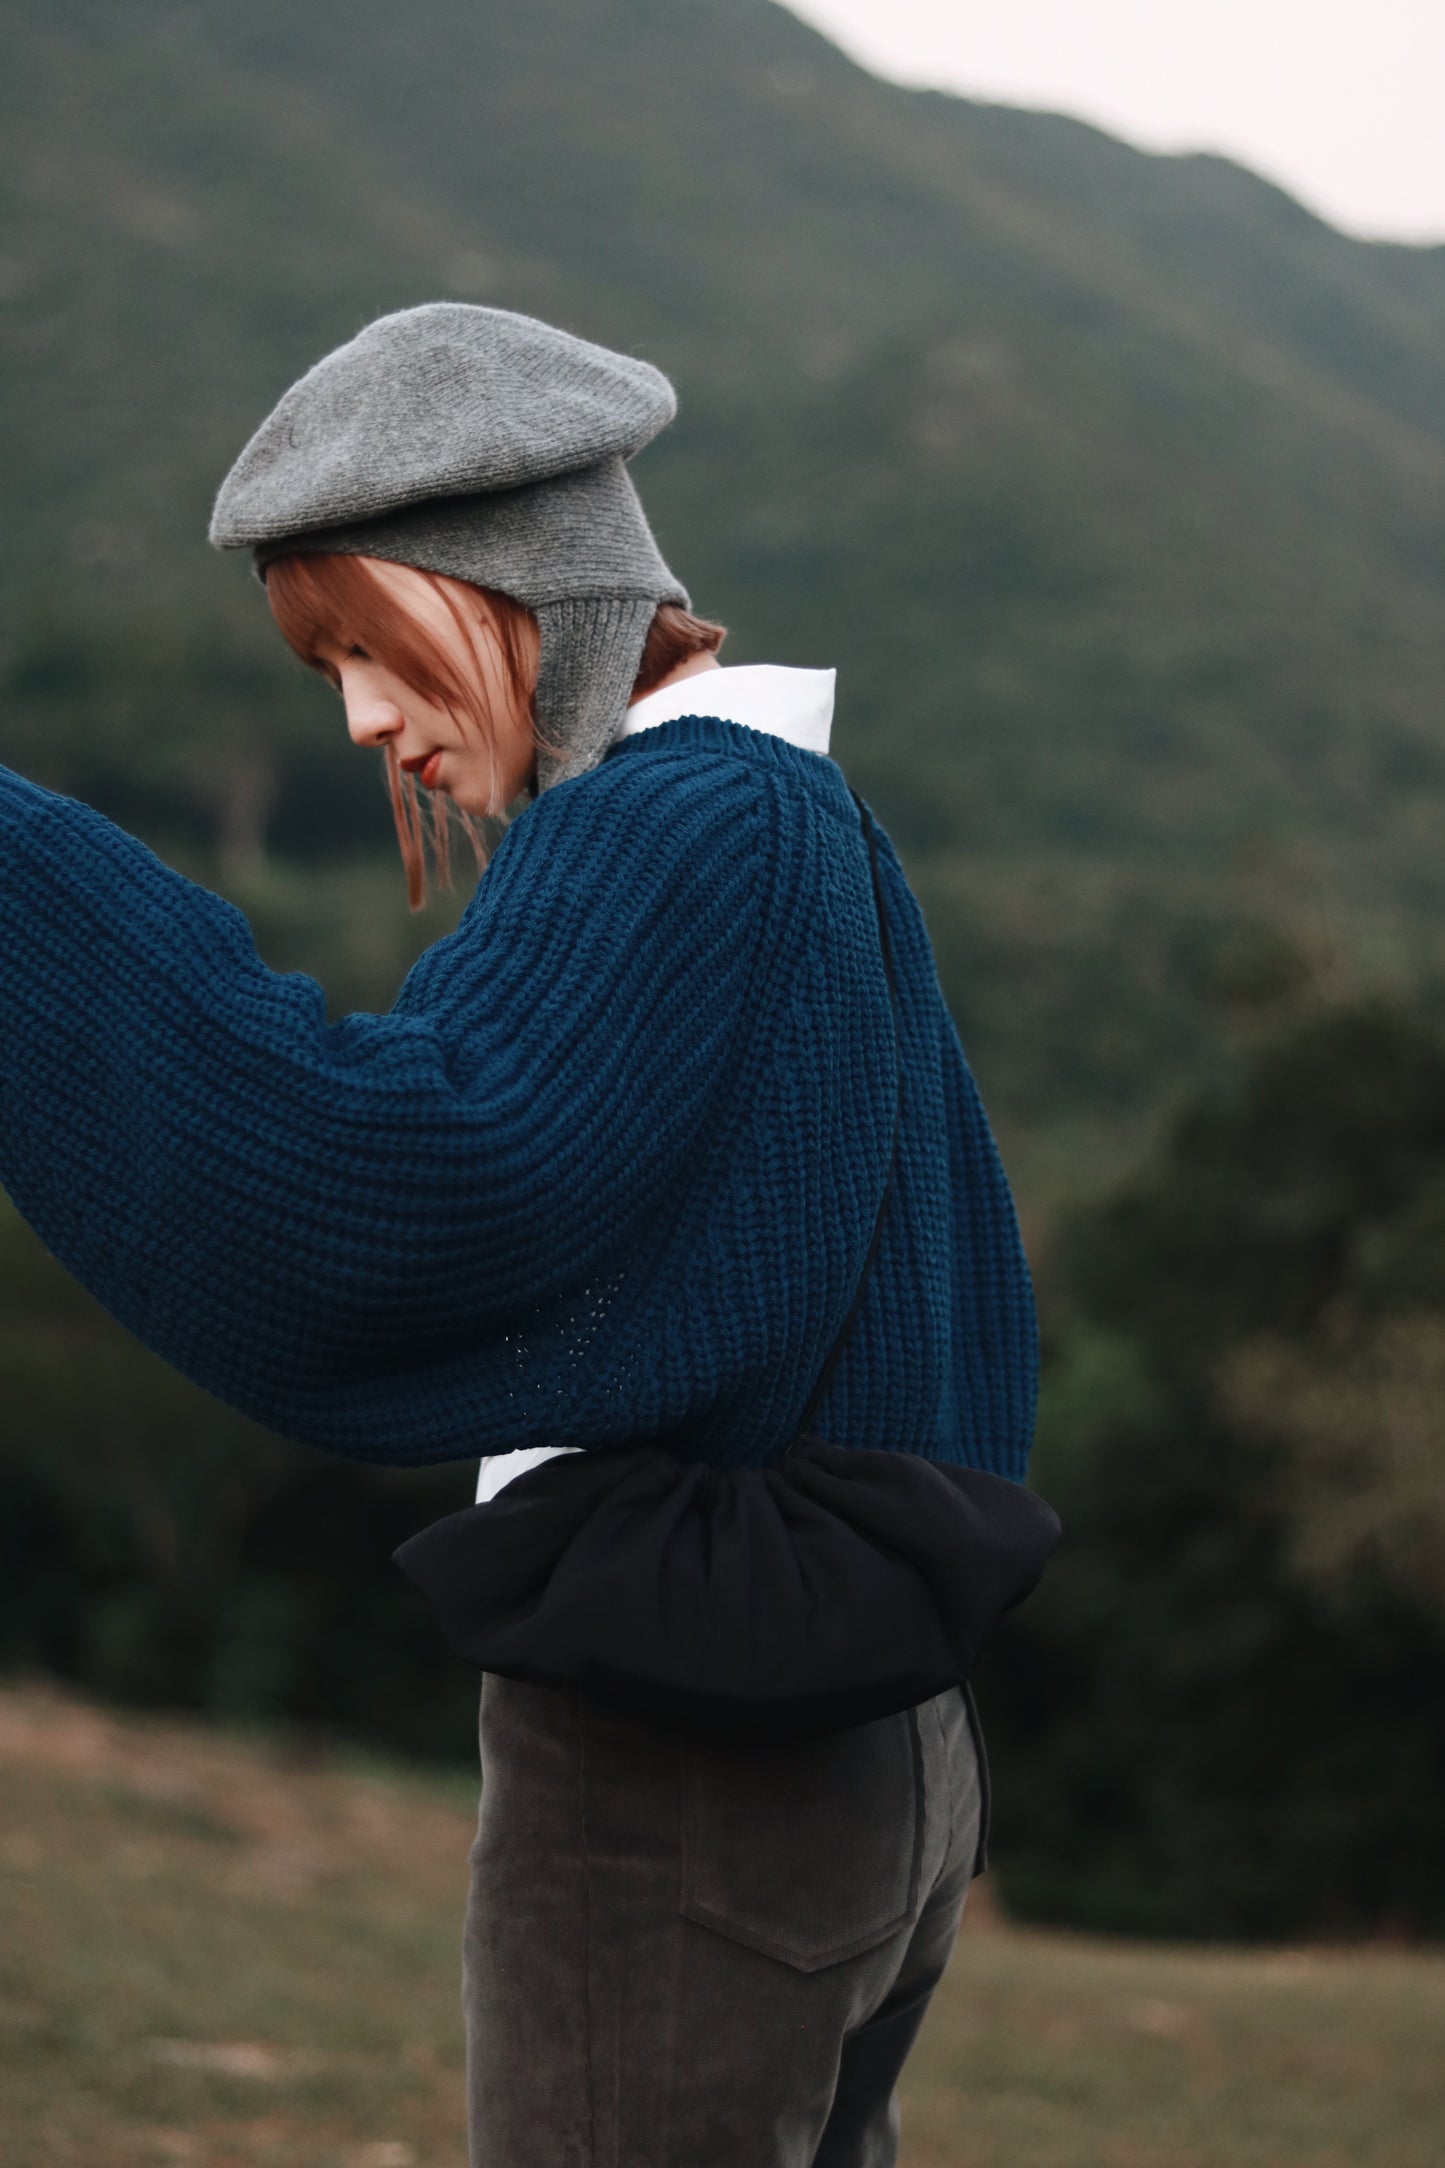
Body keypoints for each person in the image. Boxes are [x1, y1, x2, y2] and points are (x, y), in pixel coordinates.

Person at [0, 303, 1040, 2167]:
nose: (365, 722)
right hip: (871, 1745)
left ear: (518, 586)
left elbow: (398, 1200)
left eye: (371, 644)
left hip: (695, 1783)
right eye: (323, 666)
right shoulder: (788, 809)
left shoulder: (675, 825)